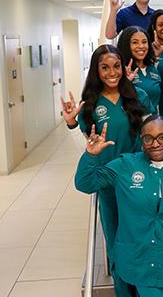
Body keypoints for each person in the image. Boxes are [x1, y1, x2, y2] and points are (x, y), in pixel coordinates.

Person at [75, 115, 163, 297]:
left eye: (162, 137)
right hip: (137, 256)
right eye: (148, 138)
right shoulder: (125, 165)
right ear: (141, 141)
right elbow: (85, 184)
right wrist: (91, 155)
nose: (155, 143)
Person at [62, 44, 149, 297]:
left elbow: (151, 131)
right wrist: (70, 121)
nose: (112, 72)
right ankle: (124, 292)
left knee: (140, 237)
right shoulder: (90, 103)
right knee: (116, 241)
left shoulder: (137, 95)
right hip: (109, 179)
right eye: (104, 67)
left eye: (116, 66)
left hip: (138, 178)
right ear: (96, 71)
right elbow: (86, 135)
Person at [117, 26, 161, 112]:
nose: (141, 46)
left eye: (144, 42)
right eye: (135, 42)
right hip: (133, 122)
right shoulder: (121, 70)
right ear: (126, 45)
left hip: (153, 122)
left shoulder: (152, 68)